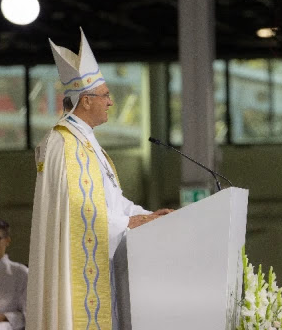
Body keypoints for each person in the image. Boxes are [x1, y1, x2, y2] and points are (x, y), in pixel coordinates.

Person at [27, 28, 173, 330]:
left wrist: (148, 216)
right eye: (105, 95)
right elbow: (77, 211)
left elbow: (113, 202)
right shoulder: (63, 144)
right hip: (77, 270)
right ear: (85, 100)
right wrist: (128, 224)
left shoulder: (88, 144)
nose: (111, 102)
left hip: (106, 262)